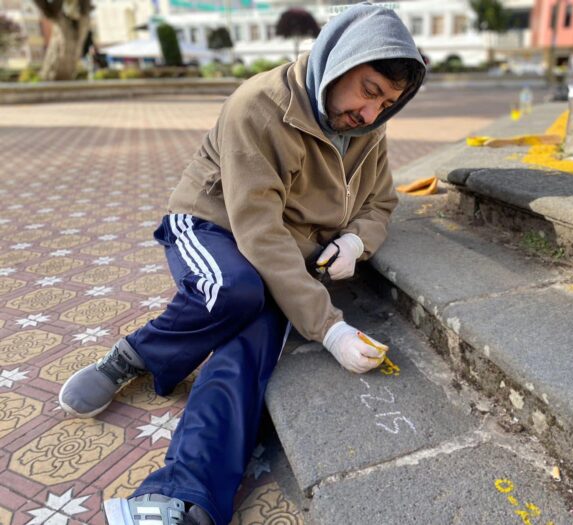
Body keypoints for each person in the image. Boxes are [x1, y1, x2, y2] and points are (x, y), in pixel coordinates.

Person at [58, 4, 425, 525]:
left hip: (282, 248)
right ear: (339, 60)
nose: (370, 114)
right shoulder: (260, 105)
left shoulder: (369, 131)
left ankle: (182, 497)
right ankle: (132, 356)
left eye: (388, 103)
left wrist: (356, 243)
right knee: (237, 292)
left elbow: (381, 202)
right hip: (214, 222)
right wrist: (329, 328)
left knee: (251, 336)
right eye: (368, 91)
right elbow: (258, 229)